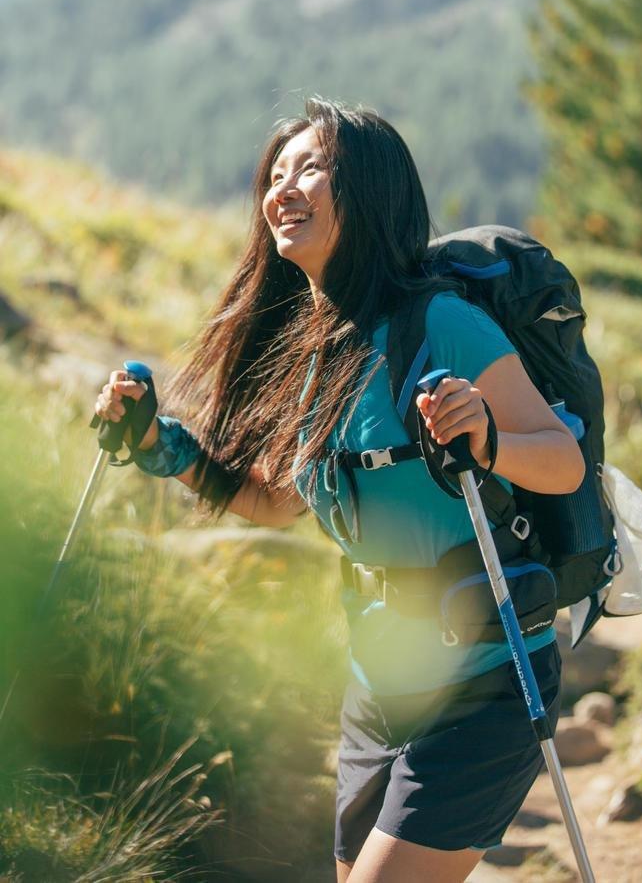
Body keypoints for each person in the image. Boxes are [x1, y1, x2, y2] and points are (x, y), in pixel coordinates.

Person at [94, 98, 585, 883]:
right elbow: (272, 502)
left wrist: (487, 438)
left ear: (371, 190)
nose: (284, 190)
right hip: (377, 692)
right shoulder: (310, 349)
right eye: (275, 175)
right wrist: (161, 445)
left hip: (486, 683)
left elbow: (562, 460)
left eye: (312, 169)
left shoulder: (440, 324)